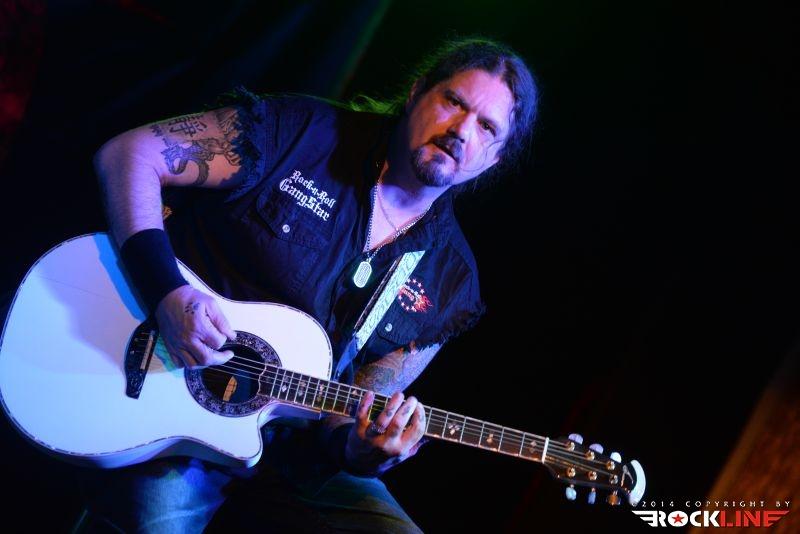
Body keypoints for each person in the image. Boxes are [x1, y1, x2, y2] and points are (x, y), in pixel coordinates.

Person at [85, 37, 538, 532]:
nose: (461, 130)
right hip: (169, 394)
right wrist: (166, 292)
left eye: (487, 127)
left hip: (295, 461)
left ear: (495, 158)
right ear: (416, 93)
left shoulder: (451, 282)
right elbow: (129, 155)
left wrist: (362, 449)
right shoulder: (302, 132)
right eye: (453, 101)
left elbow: (351, 407)